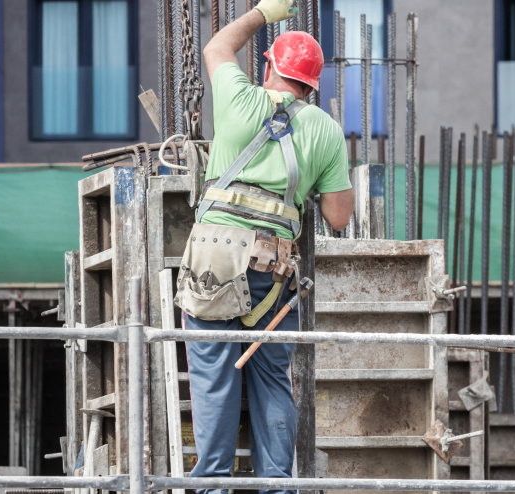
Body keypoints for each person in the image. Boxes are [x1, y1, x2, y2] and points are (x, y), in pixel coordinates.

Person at [177, 1, 354, 493]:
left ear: (270, 67)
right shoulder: (326, 130)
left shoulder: (238, 98)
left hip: (214, 256)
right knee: (273, 378)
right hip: (271, 269)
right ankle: (277, 486)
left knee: (213, 378)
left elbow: (216, 46)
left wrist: (261, 12)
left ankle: (211, 486)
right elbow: (339, 218)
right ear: (312, 84)